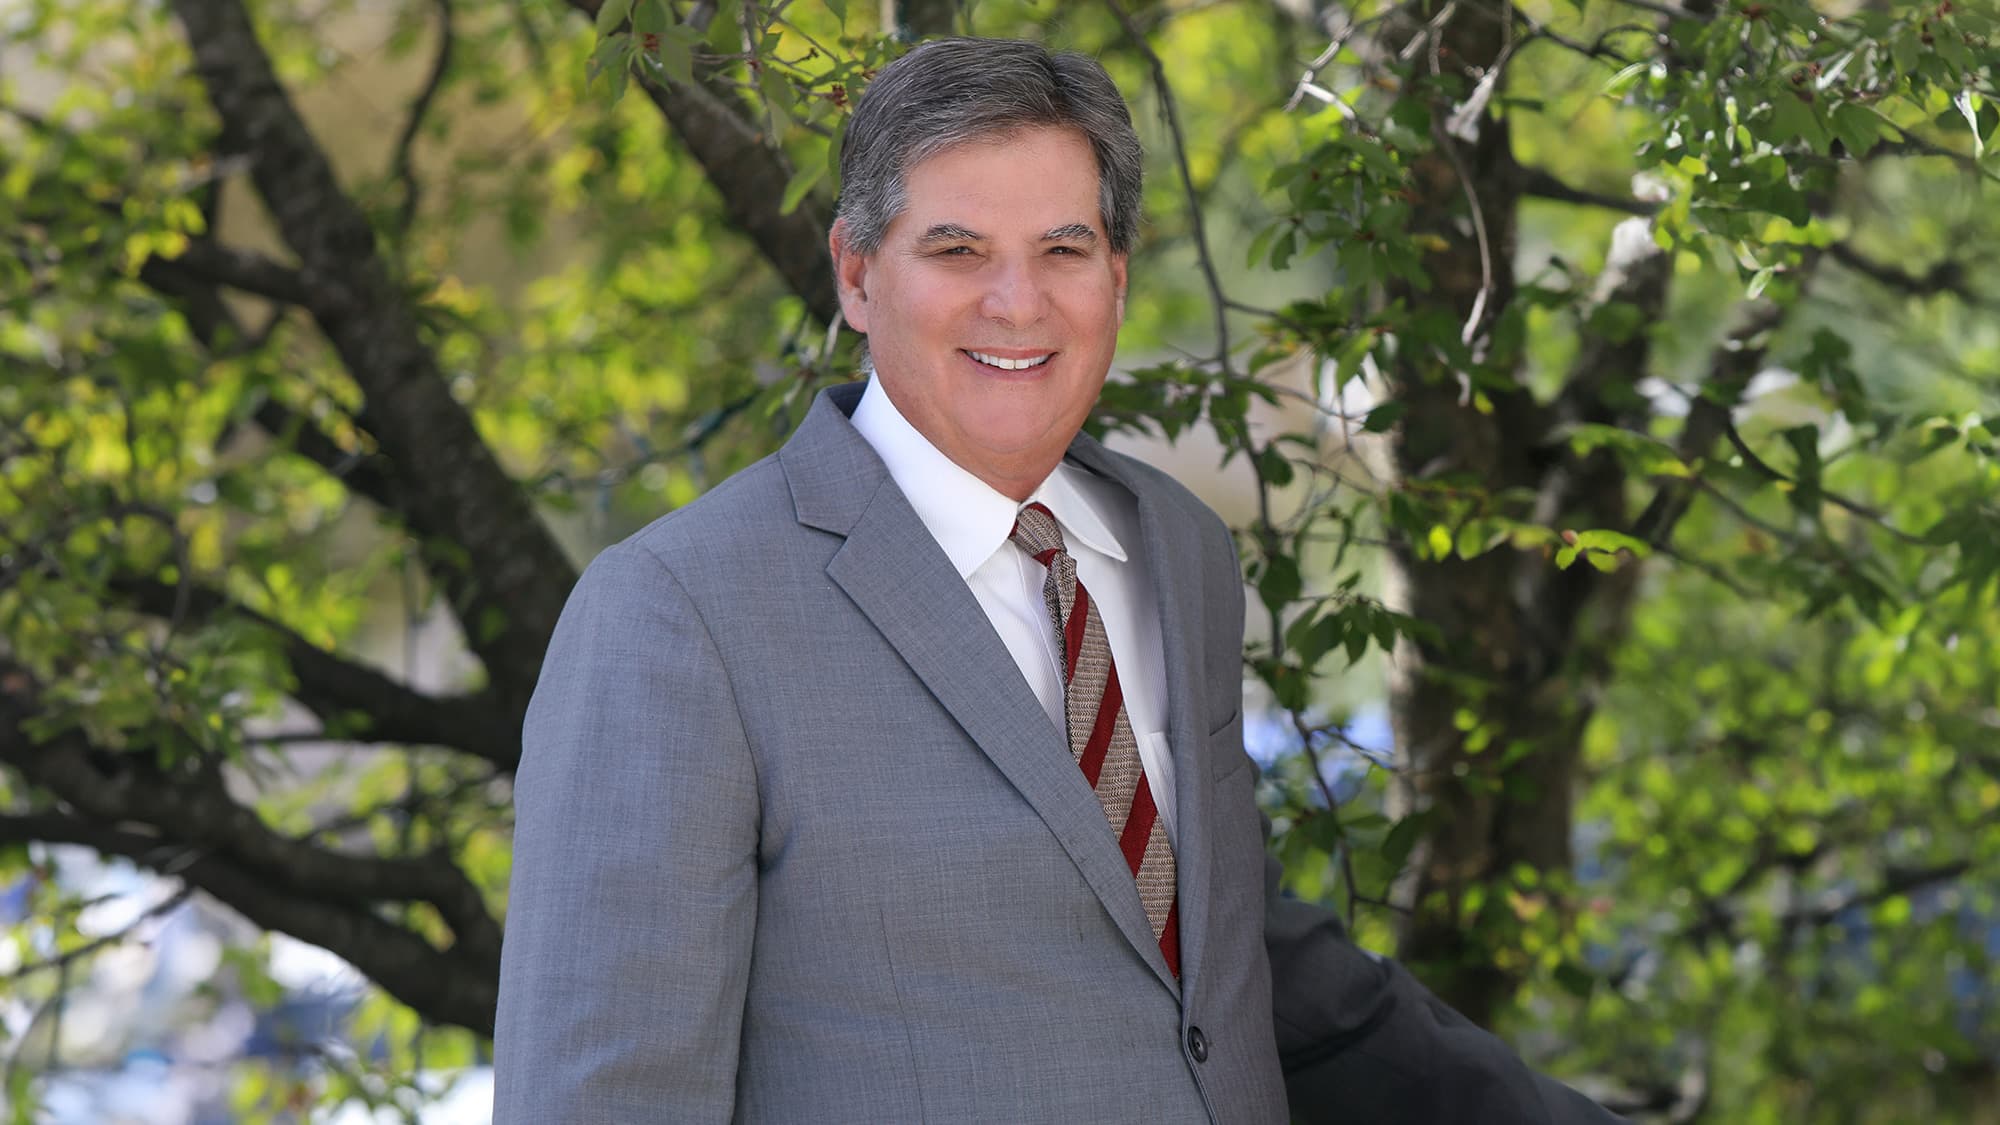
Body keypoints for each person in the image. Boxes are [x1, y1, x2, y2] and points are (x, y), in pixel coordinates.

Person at [494, 36, 1622, 1124]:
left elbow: (1223, 960)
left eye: (1062, 249)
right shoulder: (677, 614)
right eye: (957, 250)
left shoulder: (1175, 549)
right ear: (855, 273)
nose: (1017, 302)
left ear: (1116, 280)